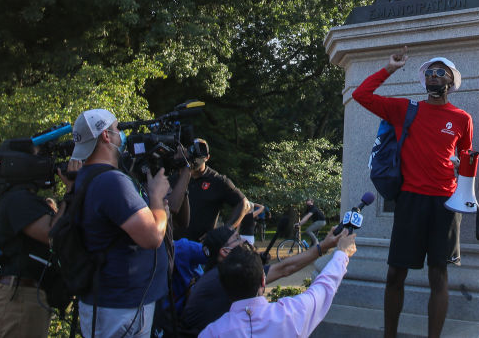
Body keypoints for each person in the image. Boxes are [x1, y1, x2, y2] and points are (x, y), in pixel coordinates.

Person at [351, 46, 473, 338]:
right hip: (410, 200)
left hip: (446, 204)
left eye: (439, 72)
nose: (433, 77)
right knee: (395, 274)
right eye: (429, 73)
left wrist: (467, 185)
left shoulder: (461, 118)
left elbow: (467, 158)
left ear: (450, 81)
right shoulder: (406, 109)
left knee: (438, 275)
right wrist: (389, 67)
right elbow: (361, 95)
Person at [70, 108, 170, 338]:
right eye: (117, 129)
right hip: (120, 307)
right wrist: (156, 197)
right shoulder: (112, 182)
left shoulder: (87, 177)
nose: (120, 135)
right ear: (106, 136)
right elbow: (153, 236)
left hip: (110, 301)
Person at [180, 226, 345, 337]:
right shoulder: (287, 317)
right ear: (262, 280)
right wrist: (335, 250)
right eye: (237, 238)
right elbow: (285, 269)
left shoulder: (213, 329)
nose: (245, 241)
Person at [0, 159, 73, 338]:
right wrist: (70, 190)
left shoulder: (17, 198)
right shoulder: (18, 199)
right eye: (40, 158)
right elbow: (52, 234)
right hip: (18, 300)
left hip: (22, 296)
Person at [171, 139, 251, 243]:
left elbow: (244, 204)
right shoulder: (176, 178)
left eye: (199, 156)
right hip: (174, 245)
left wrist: (224, 230)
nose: (194, 160)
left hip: (201, 247)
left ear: (207, 157)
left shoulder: (217, 180)